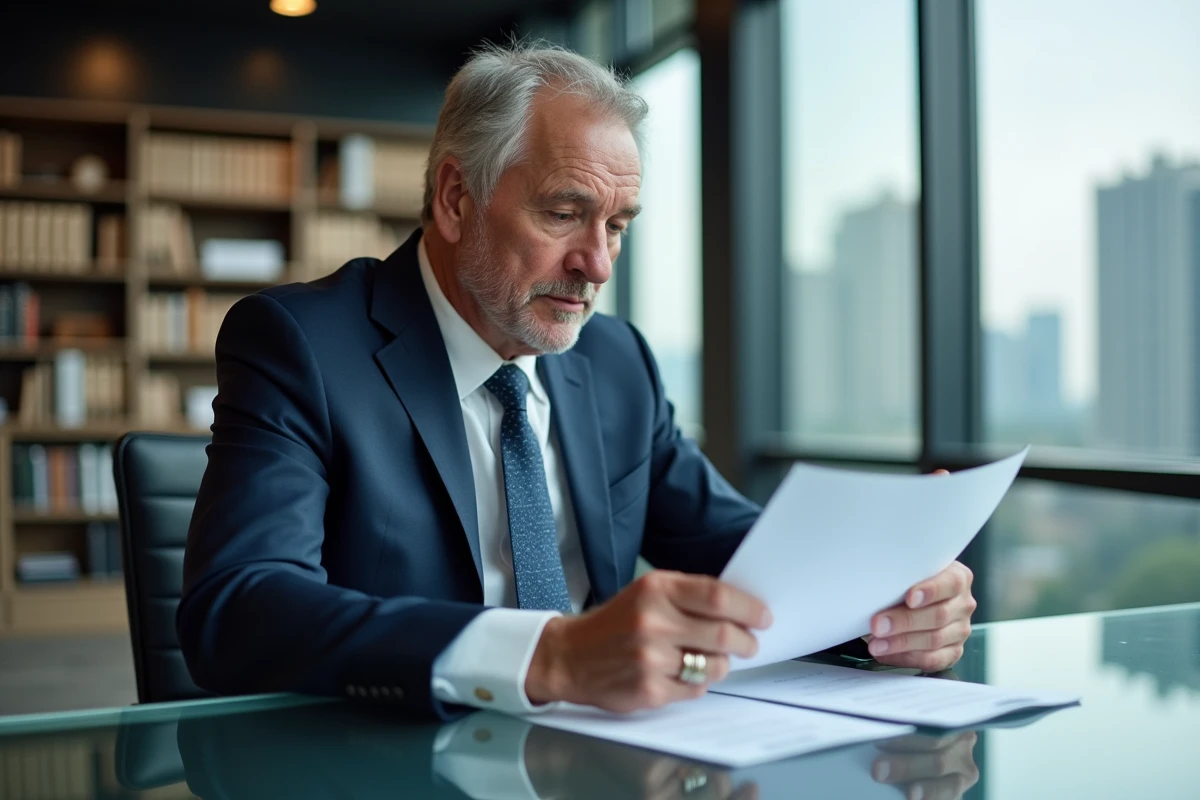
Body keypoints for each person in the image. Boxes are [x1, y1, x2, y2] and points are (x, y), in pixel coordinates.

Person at [178, 42, 977, 719]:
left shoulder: (615, 362)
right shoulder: (303, 346)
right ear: (458, 199)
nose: (597, 265)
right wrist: (548, 656)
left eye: (618, 226)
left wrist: (887, 603)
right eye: (564, 213)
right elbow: (238, 610)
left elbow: (747, 561)